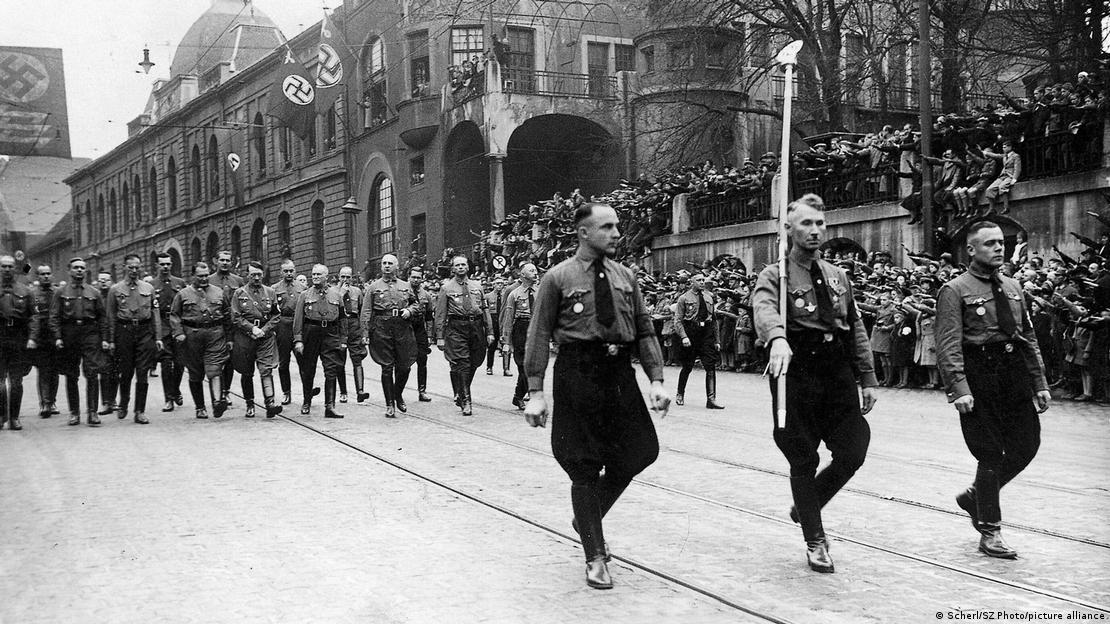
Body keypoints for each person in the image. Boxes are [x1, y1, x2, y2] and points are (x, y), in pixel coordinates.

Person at [523, 202, 671, 589]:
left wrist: (656, 379)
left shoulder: (627, 277)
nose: (617, 234)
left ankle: (587, 516)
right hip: (578, 373)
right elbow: (538, 333)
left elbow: (644, 329)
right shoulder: (557, 278)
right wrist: (535, 391)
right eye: (607, 227)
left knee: (641, 451)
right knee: (583, 463)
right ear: (584, 233)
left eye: (617, 227)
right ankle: (595, 554)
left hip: (619, 373)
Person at [752, 193, 878, 574]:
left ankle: (809, 502)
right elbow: (763, 307)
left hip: (835, 369)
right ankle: (815, 538)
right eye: (806, 224)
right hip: (795, 367)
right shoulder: (775, 274)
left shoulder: (838, 276)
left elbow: (854, 326)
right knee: (803, 455)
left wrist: (867, 377)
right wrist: (776, 337)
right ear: (788, 230)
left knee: (854, 449)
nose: (815, 230)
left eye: (820, 224)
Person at [935, 220, 1051, 559]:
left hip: (1013, 373)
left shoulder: (1014, 287)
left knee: (1027, 445)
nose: (998, 248)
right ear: (971, 250)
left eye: (1001, 242)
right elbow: (948, 344)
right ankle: (990, 530)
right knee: (989, 453)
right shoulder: (955, 290)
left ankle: (975, 498)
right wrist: (959, 388)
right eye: (990, 244)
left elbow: (1028, 338)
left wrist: (1039, 382)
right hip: (979, 374)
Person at [50, 257, 109, 426]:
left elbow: (102, 317)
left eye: (82, 268)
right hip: (70, 334)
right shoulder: (61, 292)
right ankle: (74, 413)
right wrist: (58, 337)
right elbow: (54, 317)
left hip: (90, 334)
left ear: (86, 271)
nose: (79, 271)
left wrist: (104, 338)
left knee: (92, 373)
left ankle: (92, 412)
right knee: (71, 374)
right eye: (76, 268)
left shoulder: (94, 292)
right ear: (69, 271)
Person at [105, 254, 163, 424]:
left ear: (141, 267)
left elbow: (155, 314)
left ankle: (140, 411)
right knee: (126, 372)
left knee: (143, 372)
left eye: (137, 267)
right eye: (131, 267)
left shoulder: (148, 288)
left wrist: (158, 337)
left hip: (145, 332)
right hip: (124, 331)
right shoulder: (115, 289)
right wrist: (112, 340)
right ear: (125, 267)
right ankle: (123, 403)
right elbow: (111, 317)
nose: (134, 270)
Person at [169, 262, 232, 419]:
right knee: (195, 373)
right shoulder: (183, 294)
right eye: (200, 276)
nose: (204, 279)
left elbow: (227, 315)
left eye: (206, 275)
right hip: (192, 337)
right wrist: (178, 333)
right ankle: (200, 407)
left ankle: (217, 403)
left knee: (215, 369)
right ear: (193, 276)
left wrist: (230, 338)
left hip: (215, 334)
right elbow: (174, 315)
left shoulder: (218, 292)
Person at [359, 254, 419, 418]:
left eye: (390, 263)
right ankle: (389, 404)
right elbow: (366, 311)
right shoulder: (373, 287)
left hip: (402, 326)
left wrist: (409, 310)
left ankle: (397, 393)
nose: (386, 266)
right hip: (381, 327)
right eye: (384, 263)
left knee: (405, 366)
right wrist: (365, 333)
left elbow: (416, 304)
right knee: (386, 367)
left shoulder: (406, 285)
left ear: (396, 266)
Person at [434, 256, 493, 416]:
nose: (460, 267)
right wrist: (439, 336)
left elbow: (485, 310)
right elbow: (440, 314)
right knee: (463, 363)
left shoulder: (477, 287)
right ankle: (466, 401)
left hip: (475, 327)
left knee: (474, 362)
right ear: (453, 269)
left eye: (463, 264)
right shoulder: (446, 288)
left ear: (468, 267)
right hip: (456, 327)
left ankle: (460, 391)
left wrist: (490, 331)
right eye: (457, 265)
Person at [230, 261, 283, 418]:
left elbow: (276, 315)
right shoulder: (239, 293)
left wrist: (264, 330)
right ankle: (250, 404)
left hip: (264, 338)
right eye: (253, 275)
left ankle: (270, 404)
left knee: (266, 370)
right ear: (247, 275)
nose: (256, 278)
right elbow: (235, 317)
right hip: (245, 338)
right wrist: (251, 328)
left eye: (259, 274)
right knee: (247, 372)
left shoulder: (270, 293)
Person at [293, 264, 346, 418]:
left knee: (331, 369)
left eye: (318, 274)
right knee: (308, 369)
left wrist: (343, 340)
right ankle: (306, 401)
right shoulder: (305, 295)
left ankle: (330, 406)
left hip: (330, 333)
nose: (315, 277)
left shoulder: (336, 294)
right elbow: (298, 320)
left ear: (326, 277)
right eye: (313, 274)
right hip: (311, 332)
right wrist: (298, 340)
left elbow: (342, 319)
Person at [673, 273, 725, 409]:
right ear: (692, 282)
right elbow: (678, 320)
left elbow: (713, 321)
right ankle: (680, 394)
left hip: (706, 334)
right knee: (687, 367)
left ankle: (711, 399)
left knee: (710, 366)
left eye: (703, 280)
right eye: (699, 280)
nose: (702, 282)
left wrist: (717, 340)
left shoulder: (709, 297)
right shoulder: (683, 298)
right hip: (691, 332)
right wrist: (684, 336)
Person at [0, 255, 39, 430]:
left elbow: (33, 317)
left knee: (16, 382)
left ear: (15, 268)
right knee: (0, 383)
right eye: (3, 266)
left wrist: (32, 338)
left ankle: (14, 417)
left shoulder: (25, 291)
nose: (7, 270)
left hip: (18, 338)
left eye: (10, 266)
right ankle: (2, 416)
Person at [151, 252, 187, 412]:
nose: (165, 267)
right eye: (162, 264)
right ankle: (169, 398)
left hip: (177, 326)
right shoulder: (151, 285)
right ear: (157, 265)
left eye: (168, 264)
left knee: (179, 363)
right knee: (166, 364)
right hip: (162, 327)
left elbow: (186, 306)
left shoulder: (180, 283)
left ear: (171, 265)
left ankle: (175, 390)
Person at [210, 251, 245, 410]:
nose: (224, 263)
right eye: (221, 260)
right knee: (216, 359)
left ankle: (226, 390)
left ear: (232, 262)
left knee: (230, 359)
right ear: (215, 261)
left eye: (227, 260)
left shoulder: (237, 280)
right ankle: (218, 393)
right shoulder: (209, 280)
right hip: (216, 325)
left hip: (234, 326)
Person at [501, 263, 538, 409]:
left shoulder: (541, 291)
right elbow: (508, 319)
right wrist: (506, 341)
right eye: (531, 270)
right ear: (522, 275)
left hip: (536, 329)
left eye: (536, 270)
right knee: (523, 366)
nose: (535, 273)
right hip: (521, 329)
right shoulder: (514, 294)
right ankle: (518, 396)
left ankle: (518, 396)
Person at [272, 259, 306, 406]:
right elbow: (271, 311)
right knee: (283, 362)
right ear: (281, 272)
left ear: (295, 271)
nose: (289, 273)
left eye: (291, 270)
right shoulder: (274, 289)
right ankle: (286, 393)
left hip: (298, 325)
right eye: (286, 271)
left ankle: (307, 391)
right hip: (283, 326)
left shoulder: (302, 288)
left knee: (303, 360)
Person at [336, 266, 370, 404]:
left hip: (354, 325)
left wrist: (364, 332)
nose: (345, 280)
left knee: (357, 359)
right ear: (339, 277)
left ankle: (360, 391)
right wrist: (341, 293)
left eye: (348, 277)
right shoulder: (333, 291)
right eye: (343, 277)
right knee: (339, 360)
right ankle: (343, 392)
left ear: (352, 278)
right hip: (340, 326)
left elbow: (363, 312)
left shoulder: (357, 292)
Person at [30, 264, 59, 418]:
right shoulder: (33, 294)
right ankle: (44, 403)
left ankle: (52, 401)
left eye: (48, 273)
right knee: (43, 371)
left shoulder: (58, 292)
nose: (46, 276)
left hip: (55, 337)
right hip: (41, 337)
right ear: (38, 277)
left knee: (55, 371)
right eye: (43, 274)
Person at [408, 266, 434, 402]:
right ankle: (397, 391)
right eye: (413, 277)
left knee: (422, 360)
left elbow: (429, 317)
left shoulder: (426, 296)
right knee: (402, 361)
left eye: (418, 277)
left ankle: (422, 390)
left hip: (420, 330)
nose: (416, 280)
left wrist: (430, 335)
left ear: (422, 279)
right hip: (405, 329)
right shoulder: (403, 291)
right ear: (409, 277)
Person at [96, 269, 120, 416]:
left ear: (111, 281)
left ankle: (113, 400)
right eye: (101, 280)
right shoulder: (95, 297)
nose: (103, 282)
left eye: (106, 279)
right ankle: (106, 402)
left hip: (116, 337)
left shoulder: (117, 295)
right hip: (99, 339)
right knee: (104, 371)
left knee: (116, 371)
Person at [485, 277, 511, 376]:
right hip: (493, 321)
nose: (499, 285)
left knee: (506, 344)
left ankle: (506, 369)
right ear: (493, 285)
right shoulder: (488, 296)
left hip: (504, 321)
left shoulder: (507, 296)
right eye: (497, 283)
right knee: (492, 345)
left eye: (501, 283)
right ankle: (489, 367)